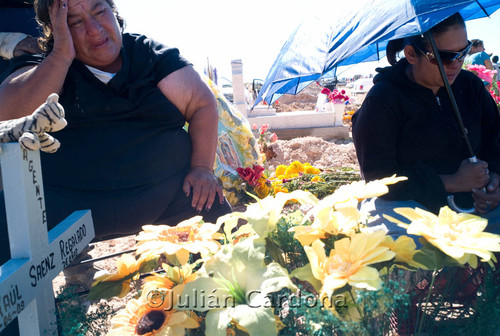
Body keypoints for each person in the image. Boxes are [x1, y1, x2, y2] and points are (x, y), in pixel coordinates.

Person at [0, 0, 232, 280]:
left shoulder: (148, 54)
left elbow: (201, 104)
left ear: (114, 12)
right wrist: (61, 55)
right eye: (75, 21)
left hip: (166, 198)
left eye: (99, 12)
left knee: (215, 220)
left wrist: (202, 168)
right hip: (64, 210)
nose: (95, 29)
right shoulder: (42, 64)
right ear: (56, 30)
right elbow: (8, 115)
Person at [352, 13, 500, 238]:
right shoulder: (383, 100)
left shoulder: (470, 86)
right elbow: (378, 177)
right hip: (412, 211)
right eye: (445, 57)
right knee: (396, 241)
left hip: (477, 208)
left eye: (463, 52)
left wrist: (496, 182)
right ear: (411, 54)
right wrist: (452, 182)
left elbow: (496, 140)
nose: (457, 64)